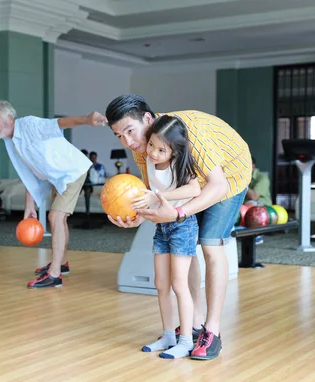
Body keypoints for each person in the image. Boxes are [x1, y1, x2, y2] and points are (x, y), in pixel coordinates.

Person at [105, 94, 251, 360]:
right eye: (118, 136)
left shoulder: (188, 133)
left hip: (228, 175)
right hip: (190, 185)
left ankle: (212, 330)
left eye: (130, 131)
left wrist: (179, 212)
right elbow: (154, 193)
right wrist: (138, 216)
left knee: (210, 242)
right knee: (188, 244)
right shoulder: (145, 150)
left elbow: (215, 185)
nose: (128, 142)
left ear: (147, 119)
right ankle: (192, 323)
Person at [0, 100, 107, 288]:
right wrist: (29, 206)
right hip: (56, 177)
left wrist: (86, 119)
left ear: (9, 118)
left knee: (56, 216)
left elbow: (59, 124)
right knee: (59, 219)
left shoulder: (29, 125)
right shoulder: (13, 142)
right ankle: (62, 263)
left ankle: (54, 275)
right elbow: (28, 173)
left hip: (72, 172)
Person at [131, 115, 201, 359]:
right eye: (151, 145)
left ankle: (186, 340)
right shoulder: (148, 161)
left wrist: (157, 195)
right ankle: (168, 334)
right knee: (160, 284)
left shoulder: (180, 165)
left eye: (162, 150)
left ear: (174, 151)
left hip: (183, 225)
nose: (154, 152)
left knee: (179, 285)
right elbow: (148, 197)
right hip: (162, 227)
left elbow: (194, 190)